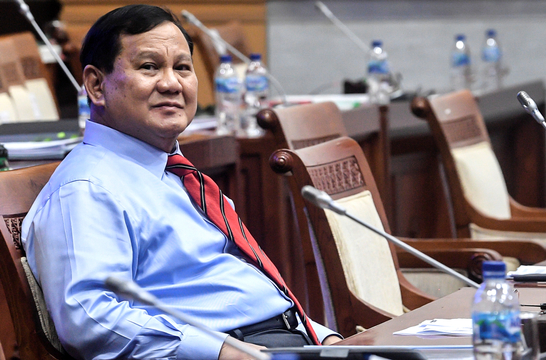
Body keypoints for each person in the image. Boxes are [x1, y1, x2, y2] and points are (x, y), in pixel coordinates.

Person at [21, 5, 341, 360]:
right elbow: (88, 318)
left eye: (183, 68)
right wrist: (221, 352)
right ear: (97, 85)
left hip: (287, 342)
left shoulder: (178, 176)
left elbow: (239, 284)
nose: (172, 83)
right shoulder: (87, 189)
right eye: (149, 67)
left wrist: (324, 339)